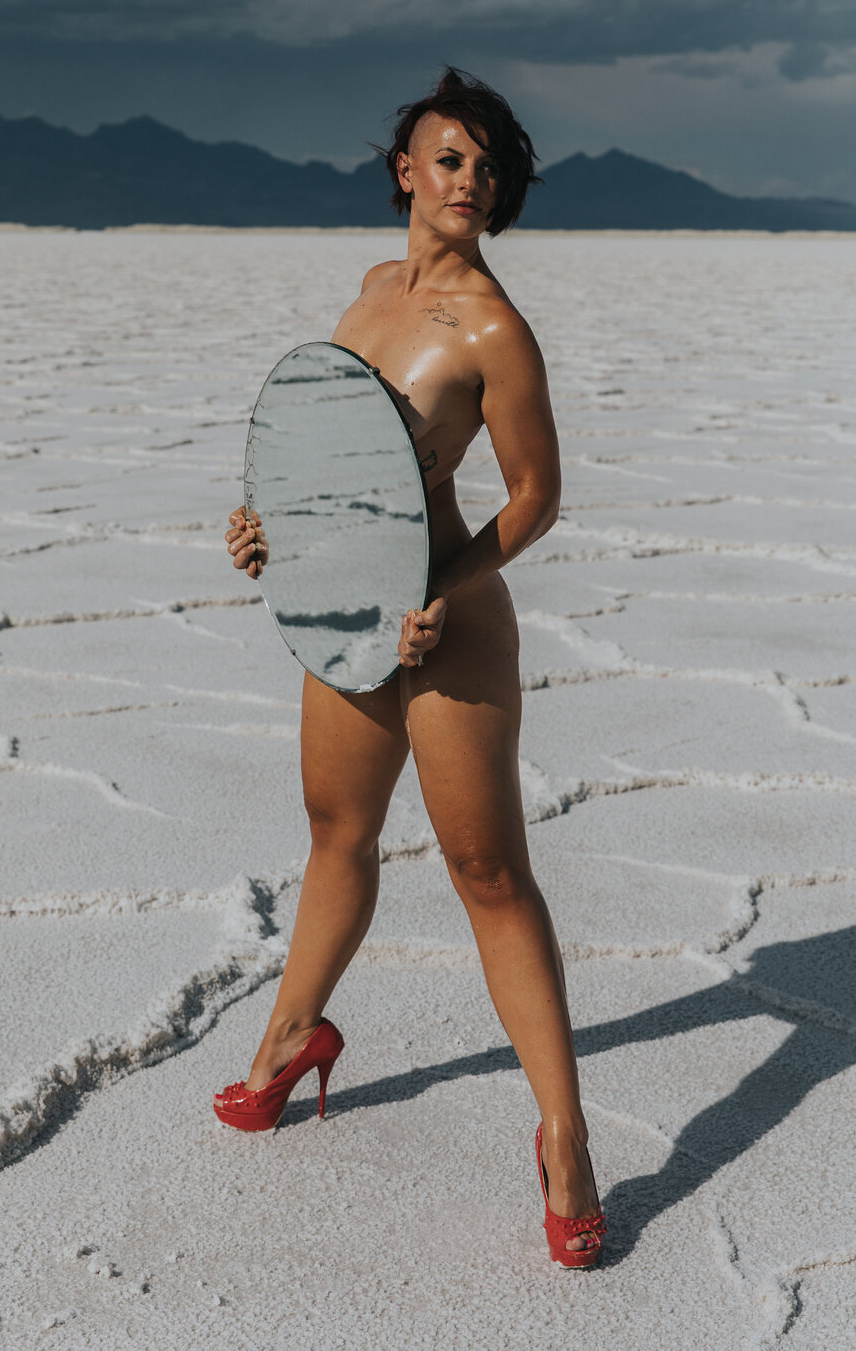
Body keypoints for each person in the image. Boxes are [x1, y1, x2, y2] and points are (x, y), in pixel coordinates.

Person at [214, 68, 605, 1267]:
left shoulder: (493, 328)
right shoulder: (371, 293)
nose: (469, 180)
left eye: (487, 167)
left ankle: (565, 1138)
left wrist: (443, 589)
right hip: (346, 617)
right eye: (449, 158)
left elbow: (537, 497)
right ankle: (291, 1041)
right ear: (405, 170)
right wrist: (268, 525)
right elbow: (331, 451)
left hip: (447, 624)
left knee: (487, 871)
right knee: (336, 834)